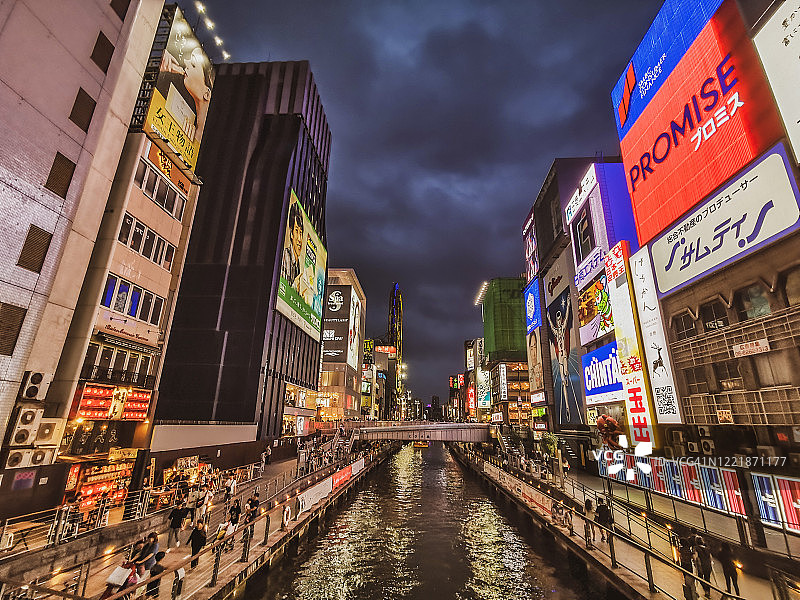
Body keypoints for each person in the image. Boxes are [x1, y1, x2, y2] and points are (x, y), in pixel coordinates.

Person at [281, 202, 304, 287]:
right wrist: (295, 286)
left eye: (301, 232)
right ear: (291, 233)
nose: (299, 239)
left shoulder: (298, 265)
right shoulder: (284, 257)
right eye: (297, 231)